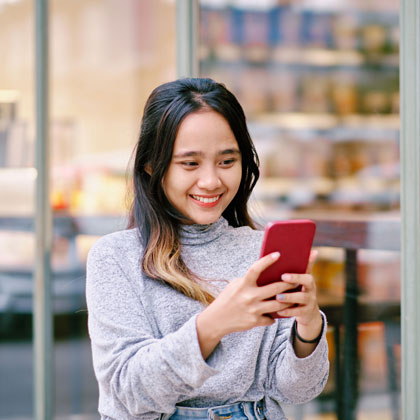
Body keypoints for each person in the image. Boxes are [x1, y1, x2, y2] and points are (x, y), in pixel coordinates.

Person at [86, 77, 329, 420]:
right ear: (152, 165)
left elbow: (297, 391)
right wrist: (212, 325)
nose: (212, 181)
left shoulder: (261, 251)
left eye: (227, 162)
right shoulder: (115, 257)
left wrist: (308, 328)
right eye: (190, 163)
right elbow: (129, 393)